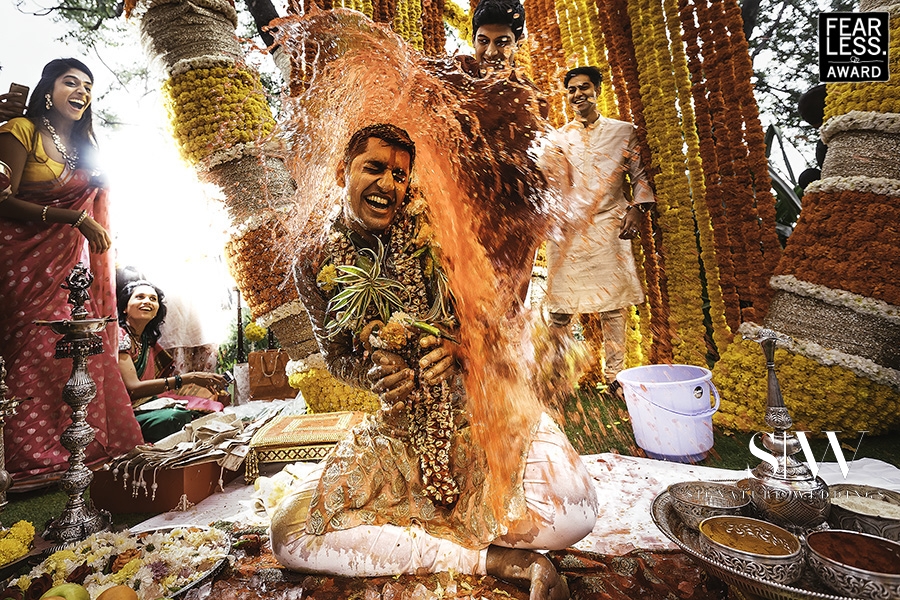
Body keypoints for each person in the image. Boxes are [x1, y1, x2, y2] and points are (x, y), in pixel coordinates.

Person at [272, 124, 597, 600]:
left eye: (400, 175)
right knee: (290, 537)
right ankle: (489, 558)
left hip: (480, 409)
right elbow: (338, 357)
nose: (389, 185)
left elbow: (496, 325)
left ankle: (436, 525)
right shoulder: (314, 260)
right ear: (343, 172)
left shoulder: (435, 230)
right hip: (400, 429)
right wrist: (376, 376)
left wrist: (459, 349)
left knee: (575, 511)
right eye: (374, 168)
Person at [0, 58, 143, 490]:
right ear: (48, 88)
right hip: (23, 262)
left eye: (88, 86)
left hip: (68, 266)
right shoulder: (19, 131)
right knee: (33, 348)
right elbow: (2, 199)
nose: (81, 91)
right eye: (71, 82)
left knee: (70, 350)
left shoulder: (83, 146)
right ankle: (27, 463)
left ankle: (71, 453)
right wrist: (73, 218)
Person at [543, 66, 655, 395]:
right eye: (572, 90)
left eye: (584, 88)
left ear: (597, 91)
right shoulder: (558, 137)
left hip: (610, 225)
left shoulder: (624, 131)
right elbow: (548, 184)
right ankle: (555, 375)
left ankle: (615, 378)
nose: (578, 94)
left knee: (612, 307)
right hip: (568, 231)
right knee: (560, 310)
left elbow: (640, 178)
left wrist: (636, 210)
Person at [116, 280, 228, 443]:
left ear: (156, 311)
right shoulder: (120, 337)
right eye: (140, 297)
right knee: (176, 417)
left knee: (206, 409)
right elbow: (133, 389)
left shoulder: (147, 340)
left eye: (153, 299)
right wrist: (190, 378)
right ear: (125, 307)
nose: (147, 301)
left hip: (147, 403)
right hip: (122, 412)